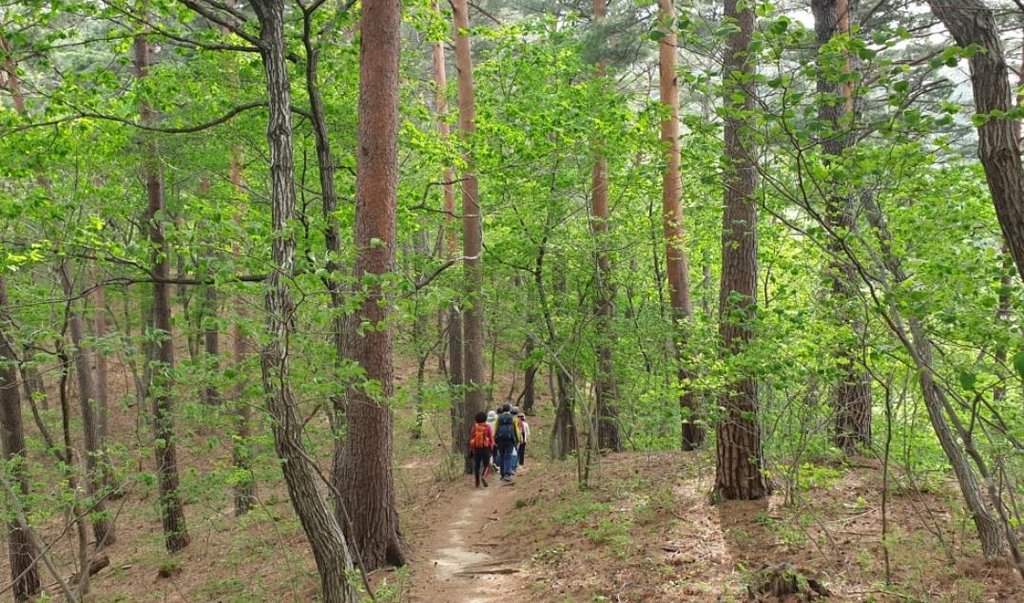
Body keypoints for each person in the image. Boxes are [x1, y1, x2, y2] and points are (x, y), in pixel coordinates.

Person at [468, 411, 494, 488]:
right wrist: (491, 448)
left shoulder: (474, 428)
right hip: (485, 448)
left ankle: (477, 482)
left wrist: (472, 449)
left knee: (477, 466)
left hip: (476, 448)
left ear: (476, 419)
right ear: (485, 418)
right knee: (486, 465)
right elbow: (491, 439)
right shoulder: (487, 427)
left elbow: (472, 438)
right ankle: (484, 476)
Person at [494, 403, 518, 481]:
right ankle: (507, 474)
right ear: (509, 409)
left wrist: (494, 438)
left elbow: (495, 428)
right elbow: (516, 430)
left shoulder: (498, 417)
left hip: (500, 439)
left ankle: (502, 474)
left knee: (501, 456)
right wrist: (517, 439)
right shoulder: (513, 418)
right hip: (509, 440)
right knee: (508, 456)